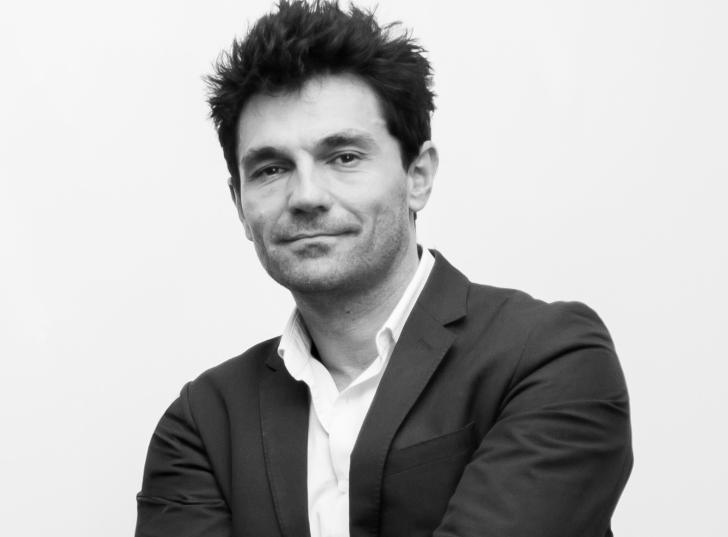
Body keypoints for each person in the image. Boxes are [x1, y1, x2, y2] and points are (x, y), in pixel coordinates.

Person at [135, 1, 633, 536]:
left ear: (418, 176)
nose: (305, 196)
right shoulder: (203, 425)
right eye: (272, 169)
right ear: (240, 205)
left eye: (344, 157)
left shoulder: (548, 357)